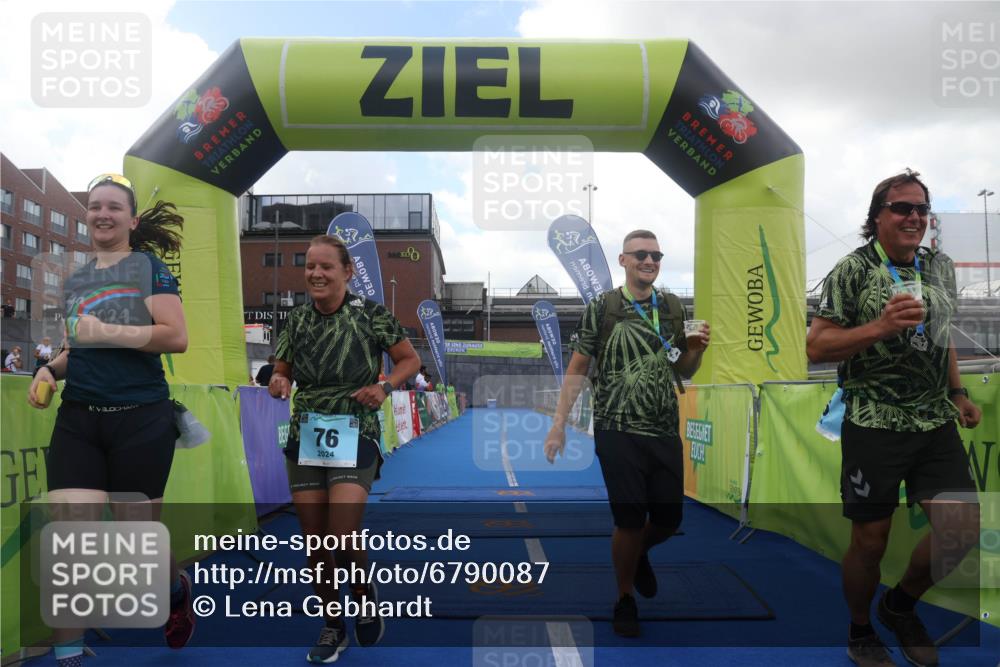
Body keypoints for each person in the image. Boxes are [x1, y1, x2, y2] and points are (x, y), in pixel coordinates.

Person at [807, 170, 981, 667]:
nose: (914, 217)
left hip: (933, 420)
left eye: (922, 209)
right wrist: (880, 327)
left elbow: (941, 336)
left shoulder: (939, 266)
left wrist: (957, 392)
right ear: (877, 216)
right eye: (902, 207)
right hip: (873, 421)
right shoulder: (853, 269)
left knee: (963, 529)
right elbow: (817, 346)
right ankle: (860, 630)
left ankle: (899, 605)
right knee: (870, 542)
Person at [27, 173, 195, 666]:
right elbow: (75, 347)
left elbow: (175, 336)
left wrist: (105, 331)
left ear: (132, 220)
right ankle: (67, 654)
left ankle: (174, 590)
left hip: (139, 420)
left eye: (114, 207)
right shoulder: (77, 280)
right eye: (95, 206)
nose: (103, 214)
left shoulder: (148, 268)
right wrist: (50, 369)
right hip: (79, 421)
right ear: (87, 215)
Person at [543, 229, 710, 637]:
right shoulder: (603, 307)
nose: (649, 261)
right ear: (623, 260)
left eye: (656, 255)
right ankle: (624, 597)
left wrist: (697, 350)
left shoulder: (672, 307)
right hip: (616, 428)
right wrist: (558, 424)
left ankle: (637, 556)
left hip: (663, 427)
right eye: (640, 254)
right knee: (630, 519)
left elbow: (683, 369)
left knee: (669, 519)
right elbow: (578, 367)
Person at [268, 235, 421, 663]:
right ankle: (333, 624)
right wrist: (279, 381)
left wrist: (384, 386)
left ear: (347, 272)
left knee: (342, 531)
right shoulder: (297, 319)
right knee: (316, 541)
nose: (315, 274)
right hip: (307, 431)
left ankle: (363, 594)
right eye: (310, 267)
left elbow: (410, 361)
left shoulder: (371, 314)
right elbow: (282, 370)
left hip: (356, 428)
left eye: (326, 267)